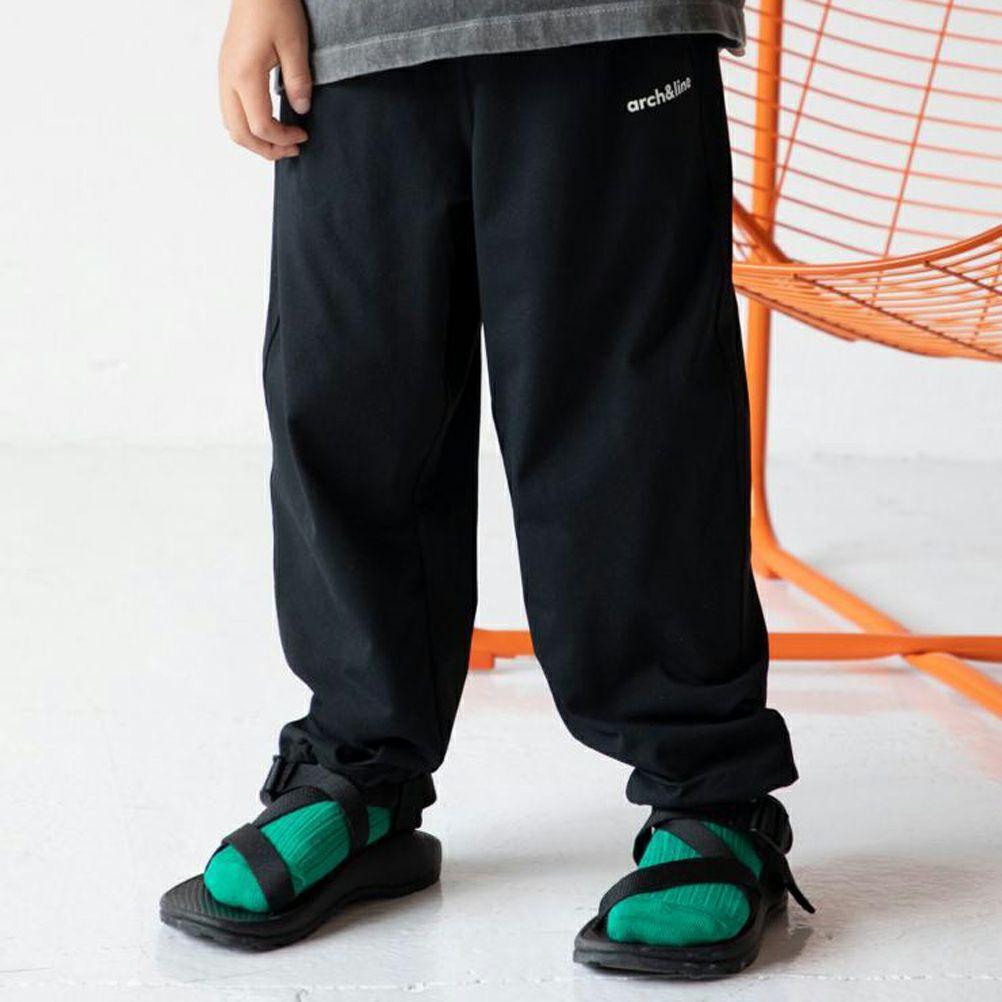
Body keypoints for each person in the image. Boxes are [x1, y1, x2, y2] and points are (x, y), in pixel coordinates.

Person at [160, 0, 814, 976]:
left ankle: (712, 791)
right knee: (348, 399)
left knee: (630, 425)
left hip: (606, 24)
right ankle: (360, 771)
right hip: (355, 34)